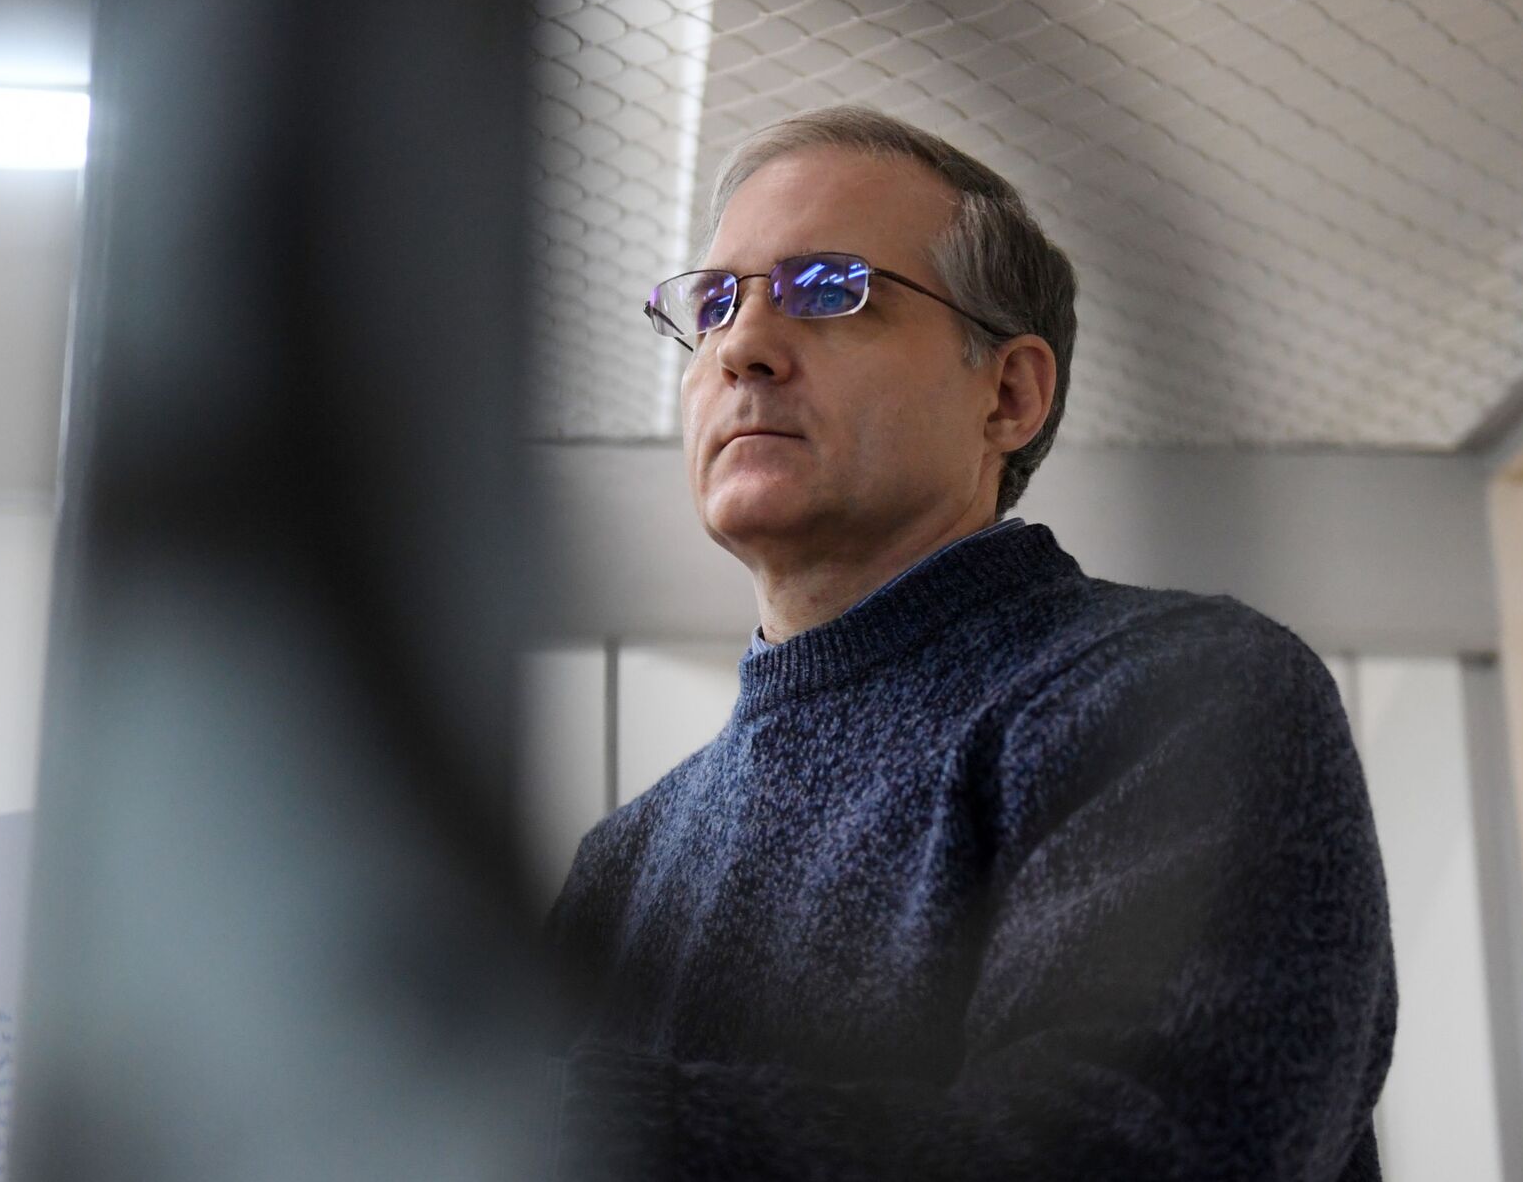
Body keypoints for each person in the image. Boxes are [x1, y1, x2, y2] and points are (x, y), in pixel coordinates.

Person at [543, 105, 1396, 1181]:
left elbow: (1136, 1152)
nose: (742, 346)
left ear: (1009, 394)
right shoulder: (619, 864)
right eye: (714, 304)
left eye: (829, 288)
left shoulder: (1183, 697)